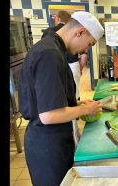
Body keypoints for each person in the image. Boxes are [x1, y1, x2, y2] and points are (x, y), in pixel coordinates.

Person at [19, 11, 104, 186]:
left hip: (49, 141)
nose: (85, 50)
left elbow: (47, 99)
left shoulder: (51, 48)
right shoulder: (49, 54)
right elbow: (48, 115)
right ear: (80, 32)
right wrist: (85, 109)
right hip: (47, 147)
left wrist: (78, 103)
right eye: (89, 44)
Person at [42, 10, 83, 100]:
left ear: (57, 18)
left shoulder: (49, 32)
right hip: (73, 64)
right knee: (74, 93)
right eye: (89, 44)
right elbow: (51, 112)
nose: (85, 49)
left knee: (67, 93)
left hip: (60, 66)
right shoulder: (50, 51)